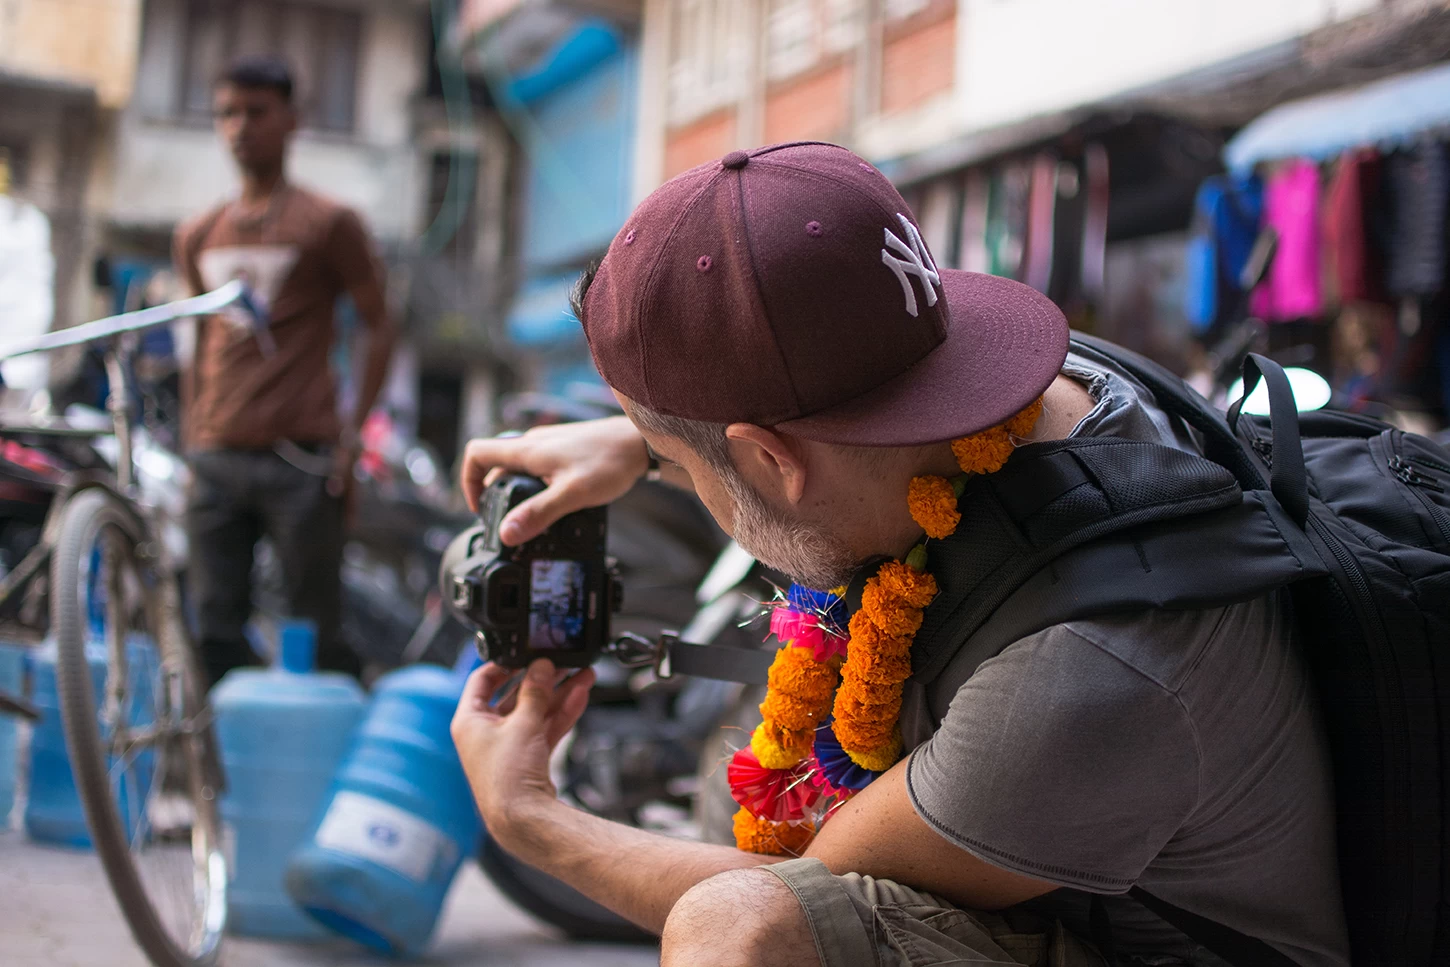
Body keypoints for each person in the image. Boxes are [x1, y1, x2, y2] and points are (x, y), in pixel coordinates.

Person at [451, 143, 1349, 967]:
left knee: (740, 932)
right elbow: (818, 426)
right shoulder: (1068, 384)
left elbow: (789, 885)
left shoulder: (1079, 676)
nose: (668, 470)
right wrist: (641, 444)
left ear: (771, 457)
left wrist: (530, 817)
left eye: (686, 461)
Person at [173, 56, 396, 686]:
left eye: (256, 112)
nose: (240, 127)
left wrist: (351, 435)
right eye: (227, 113)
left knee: (313, 633)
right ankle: (219, 771)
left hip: (301, 458)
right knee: (213, 630)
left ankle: (308, 761)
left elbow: (381, 322)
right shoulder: (198, 234)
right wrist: (194, 441)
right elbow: (197, 335)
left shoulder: (328, 223)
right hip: (216, 454)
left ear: (292, 120)